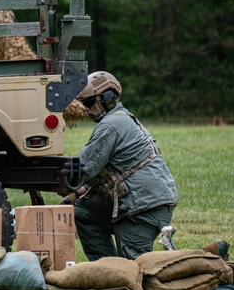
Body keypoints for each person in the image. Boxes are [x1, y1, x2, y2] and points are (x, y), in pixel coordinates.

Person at [69, 71, 177, 260]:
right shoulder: (121, 118)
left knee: (136, 267)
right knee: (82, 211)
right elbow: (107, 171)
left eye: (88, 103)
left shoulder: (111, 125)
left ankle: (191, 263)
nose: (85, 109)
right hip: (146, 201)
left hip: (142, 207)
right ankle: (108, 270)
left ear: (107, 99)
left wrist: (58, 181)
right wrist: (76, 194)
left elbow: (82, 169)